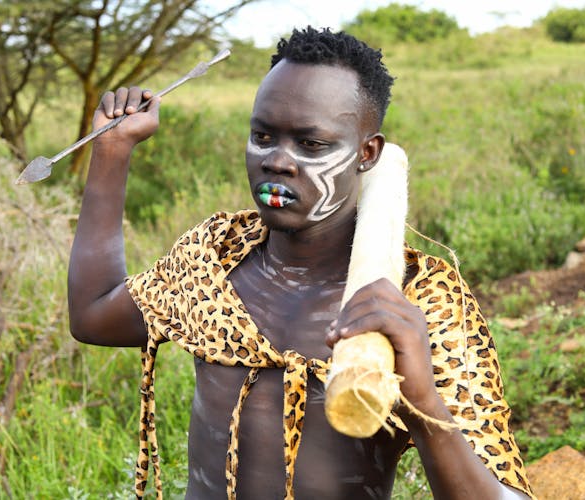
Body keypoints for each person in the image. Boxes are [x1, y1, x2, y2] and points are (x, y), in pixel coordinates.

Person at [67, 27, 534, 499]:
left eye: (311, 145)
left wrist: (421, 397)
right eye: (263, 136)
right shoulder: (215, 260)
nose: (278, 161)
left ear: (367, 153)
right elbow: (93, 317)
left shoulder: (416, 301)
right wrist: (112, 151)